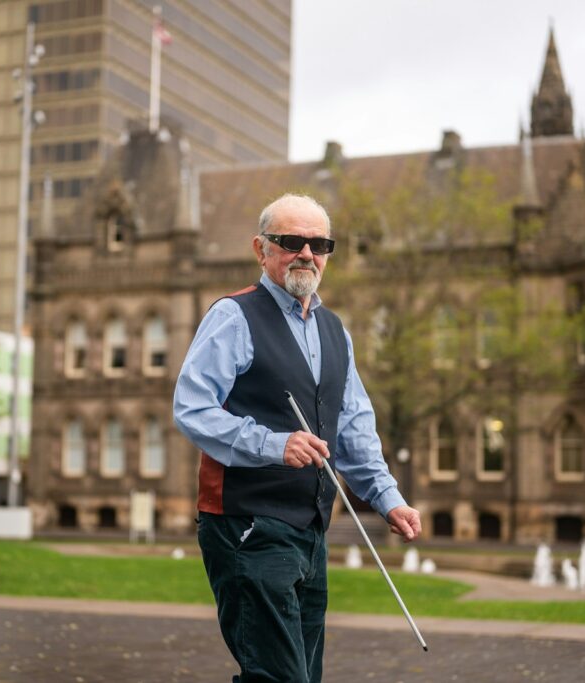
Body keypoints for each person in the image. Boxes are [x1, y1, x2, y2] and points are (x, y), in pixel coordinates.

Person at [173, 193, 421, 682]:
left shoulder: (334, 331)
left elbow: (354, 426)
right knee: (280, 677)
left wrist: (387, 498)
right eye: (291, 241)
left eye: (319, 243)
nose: (307, 253)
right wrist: (273, 443)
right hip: (247, 526)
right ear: (261, 250)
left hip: (310, 531)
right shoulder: (233, 317)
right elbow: (191, 408)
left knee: (301, 674)